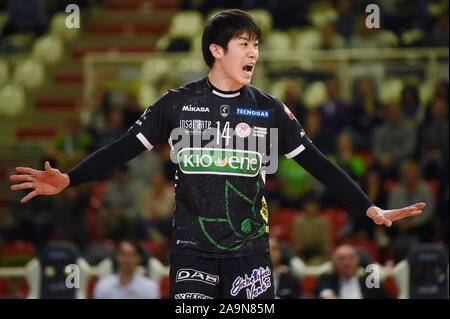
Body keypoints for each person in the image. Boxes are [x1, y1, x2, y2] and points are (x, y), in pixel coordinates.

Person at [10, 9, 425, 300]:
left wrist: (370, 208)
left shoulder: (270, 109)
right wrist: (69, 178)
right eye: (244, 43)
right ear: (216, 50)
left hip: (251, 252)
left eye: (256, 44)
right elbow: (120, 151)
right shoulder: (175, 104)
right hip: (193, 248)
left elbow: (319, 165)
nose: (254, 53)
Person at [314, 244, 392, 299]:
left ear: (357, 261)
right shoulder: (326, 279)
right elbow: (324, 292)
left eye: (350, 258)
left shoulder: (370, 282)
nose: (346, 263)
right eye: (341, 259)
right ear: (334, 264)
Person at [93, 239, 160, 299]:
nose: (127, 259)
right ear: (117, 256)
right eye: (123, 254)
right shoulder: (103, 285)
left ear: (139, 258)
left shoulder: (150, 287)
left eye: (131, 255)